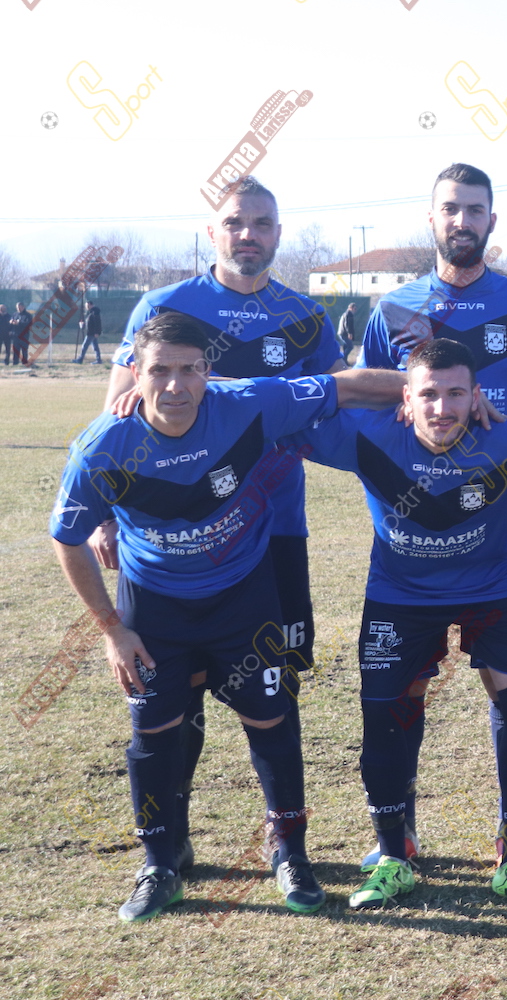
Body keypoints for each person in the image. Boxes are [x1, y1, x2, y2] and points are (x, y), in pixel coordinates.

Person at [48, 311, 406, 922]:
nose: (175, 386)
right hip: (154, 607)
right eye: (159, 371)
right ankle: (161, 862)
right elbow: (67, 538)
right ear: (135, 372)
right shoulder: (103, 446)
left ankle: (290, 852)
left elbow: (346, 386)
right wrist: (113, 630)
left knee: (270, 718)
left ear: (208, 371)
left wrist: (433, 390)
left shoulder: (250, 403)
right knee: (154, 732)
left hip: (244, 595)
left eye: (190, 370)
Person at [285, 337, 507, 911]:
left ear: (477, 397)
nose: (442, 408)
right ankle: (394, 855)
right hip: (400, 596)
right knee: (384, 716)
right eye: (429, 395)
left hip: (497, 590)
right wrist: (185, 388)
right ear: (406, 399)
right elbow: (270, 411)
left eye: (456, 394)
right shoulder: (364, 435)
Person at [95, 174, 346, 876]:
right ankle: (170, 842)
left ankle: (284, 839)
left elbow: (343, 393)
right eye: (235, 222)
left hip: (274, 530)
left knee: (275, 687)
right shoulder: (165, 307)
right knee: (177, 688)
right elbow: (117, 410)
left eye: (262, 223)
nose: (248, 235)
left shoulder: (305, 317)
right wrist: (108, 516)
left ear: (278, 233)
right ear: (213, 231)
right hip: (173, 533)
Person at [356, 161, 507, 871]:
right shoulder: (393, 309)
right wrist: (431, 391)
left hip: (497, 539)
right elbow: (371, 397)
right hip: (411, 543)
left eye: (476, 210)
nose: (463, 221)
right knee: (400, 700)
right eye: (451, 209)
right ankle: (397, 839)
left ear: (492, 221)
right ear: (432, 218)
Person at [12, 302, 33, 366]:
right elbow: (11, 321)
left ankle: (24, 362)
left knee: (24, 349)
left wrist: (19, 323)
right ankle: (15, 362)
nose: (18, 309)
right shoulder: (15, 314)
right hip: (16, 335)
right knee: (16, 349)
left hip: (24, 335)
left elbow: (28, 324)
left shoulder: (28, 315)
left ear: (23, 307)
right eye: (17, 307)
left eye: (20, 307)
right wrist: (11, 322)